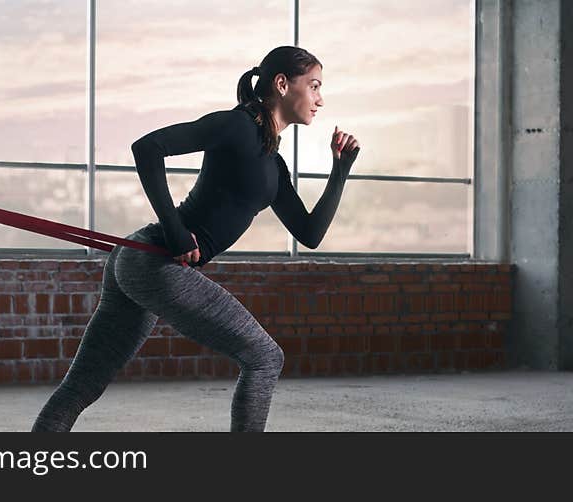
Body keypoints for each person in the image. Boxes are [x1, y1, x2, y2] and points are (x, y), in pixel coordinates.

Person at [31, 46, 360, 432]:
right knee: (265, 357)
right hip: (154, 260)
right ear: (283, 84)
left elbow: (310, 233)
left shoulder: (272, 162)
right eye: (314, 85)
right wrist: (174, 228)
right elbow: (148, 148)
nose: (320, 99)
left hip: (137, 263)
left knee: (82, 386)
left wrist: (340, 170)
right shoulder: (237, 126)